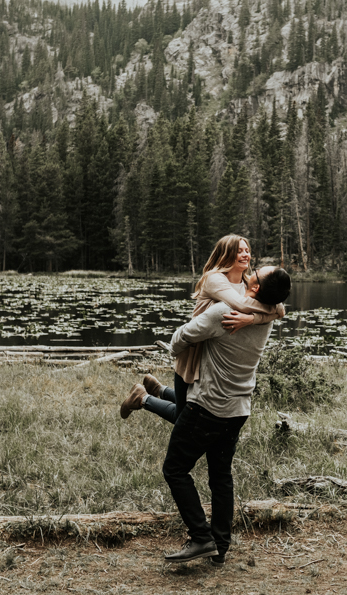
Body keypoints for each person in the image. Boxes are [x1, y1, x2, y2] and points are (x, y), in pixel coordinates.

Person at [160, 265, 292, 565]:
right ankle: (220, 546)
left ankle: (201, 537)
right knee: (220, 476)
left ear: (255, 286)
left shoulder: (224, 313)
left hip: (207, 406)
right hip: (238, 409)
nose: (253, 266)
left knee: (175, 470)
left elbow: (179, 339)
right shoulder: (267, 311)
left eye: (258, 270)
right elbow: (279, 307)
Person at [120, 234, 285, 422]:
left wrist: (252, 319)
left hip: (216, 352)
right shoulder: (215, 279)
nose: (245, 254)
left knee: (195, 405)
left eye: (247, 250)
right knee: (184, 416)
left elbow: (280, 308)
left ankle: (159, 389)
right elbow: (243, 304)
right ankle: (141, 398)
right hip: (194, 349)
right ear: (226, 254)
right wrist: (257, 315)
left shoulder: (248, 282)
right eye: (239, 251)